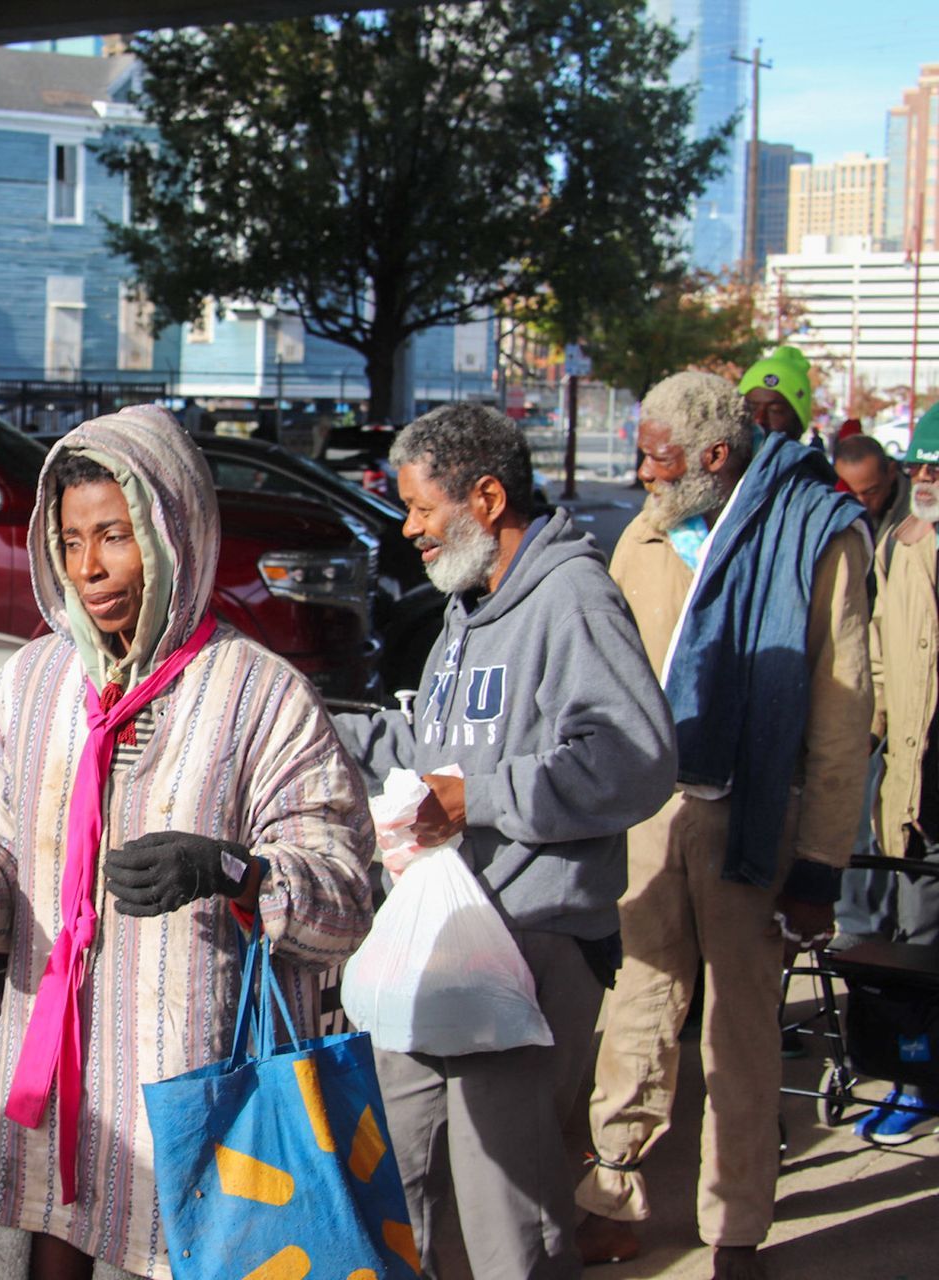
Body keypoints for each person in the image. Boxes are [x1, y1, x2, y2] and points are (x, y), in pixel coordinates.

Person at [0, 405, 374, 1280]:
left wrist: (230, 870)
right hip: (51, 1100)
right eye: (70, 541)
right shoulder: (31, 684)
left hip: (196, 1102)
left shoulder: (260, 695)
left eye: (114, 536)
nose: (89, 569)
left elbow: (345, 894)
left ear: (173, 529)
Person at [332, 404, 676, 1280]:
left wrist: (477, 798)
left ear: (485, 497)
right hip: (434, 937)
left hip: (529, 946)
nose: (406, 528)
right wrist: (312, 721)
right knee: (387, 1180)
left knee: (507, 1220)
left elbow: (633, 763)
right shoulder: (465, 607)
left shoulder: (572, 597)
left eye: (420, 508)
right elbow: (429, 757)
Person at [576, 372, 871, 1280]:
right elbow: (607, 671)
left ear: (713, 458)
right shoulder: (647, 531)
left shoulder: (821, 533)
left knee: (739, 1033)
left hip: (756, 818)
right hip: (650, 813)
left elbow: (841, 712)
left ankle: (737, 1228)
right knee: (635, 1010)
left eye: (658, 461)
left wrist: (820, 863)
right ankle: (612, 1193)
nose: (642, 475)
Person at [846, 403, 939, 1144]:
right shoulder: (902, 548)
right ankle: (917, 1080)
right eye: (924, 468)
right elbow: (879, 656)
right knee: (915, 941)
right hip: (916, 787)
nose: (928, 480)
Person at [832, 432, 909, 536]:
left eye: (871, 492)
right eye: (850, 493)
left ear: (891, 473)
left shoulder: (918, 513)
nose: (861, 501)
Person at [737, 346, 813, 443]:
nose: (759, 419)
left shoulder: (807, 458)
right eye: (750, 408)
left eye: (775, 410)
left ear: (798, 420)